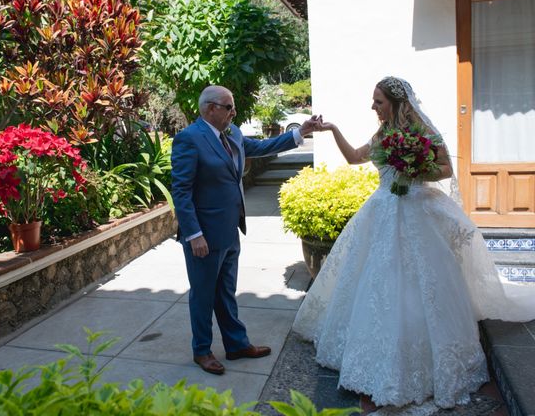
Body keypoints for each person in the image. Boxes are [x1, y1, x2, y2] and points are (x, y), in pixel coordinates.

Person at [292, 76, 535, 409]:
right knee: (377, 285)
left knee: (423, 286)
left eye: (378, 101)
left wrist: (414, 167)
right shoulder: (381, 135)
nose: (373, 106)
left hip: (417, 212)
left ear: (396, 102)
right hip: (382, 211)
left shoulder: (422, 133)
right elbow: (353, 158)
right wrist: (332, 129)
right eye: (373, 101)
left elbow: (446, 168)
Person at [171, 85, 323, 375]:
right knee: (203, 295)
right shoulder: (189, 139)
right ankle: (201, 350)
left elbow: (263, 148)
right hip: (203, 236)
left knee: (226, 292)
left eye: (233, 107)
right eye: (229, 107)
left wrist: (300, 132)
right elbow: (181, 191)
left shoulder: (234, 134)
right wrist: (194, 235)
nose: (234, 112)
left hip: (230, 230)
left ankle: (236, 344)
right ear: (210, 108)